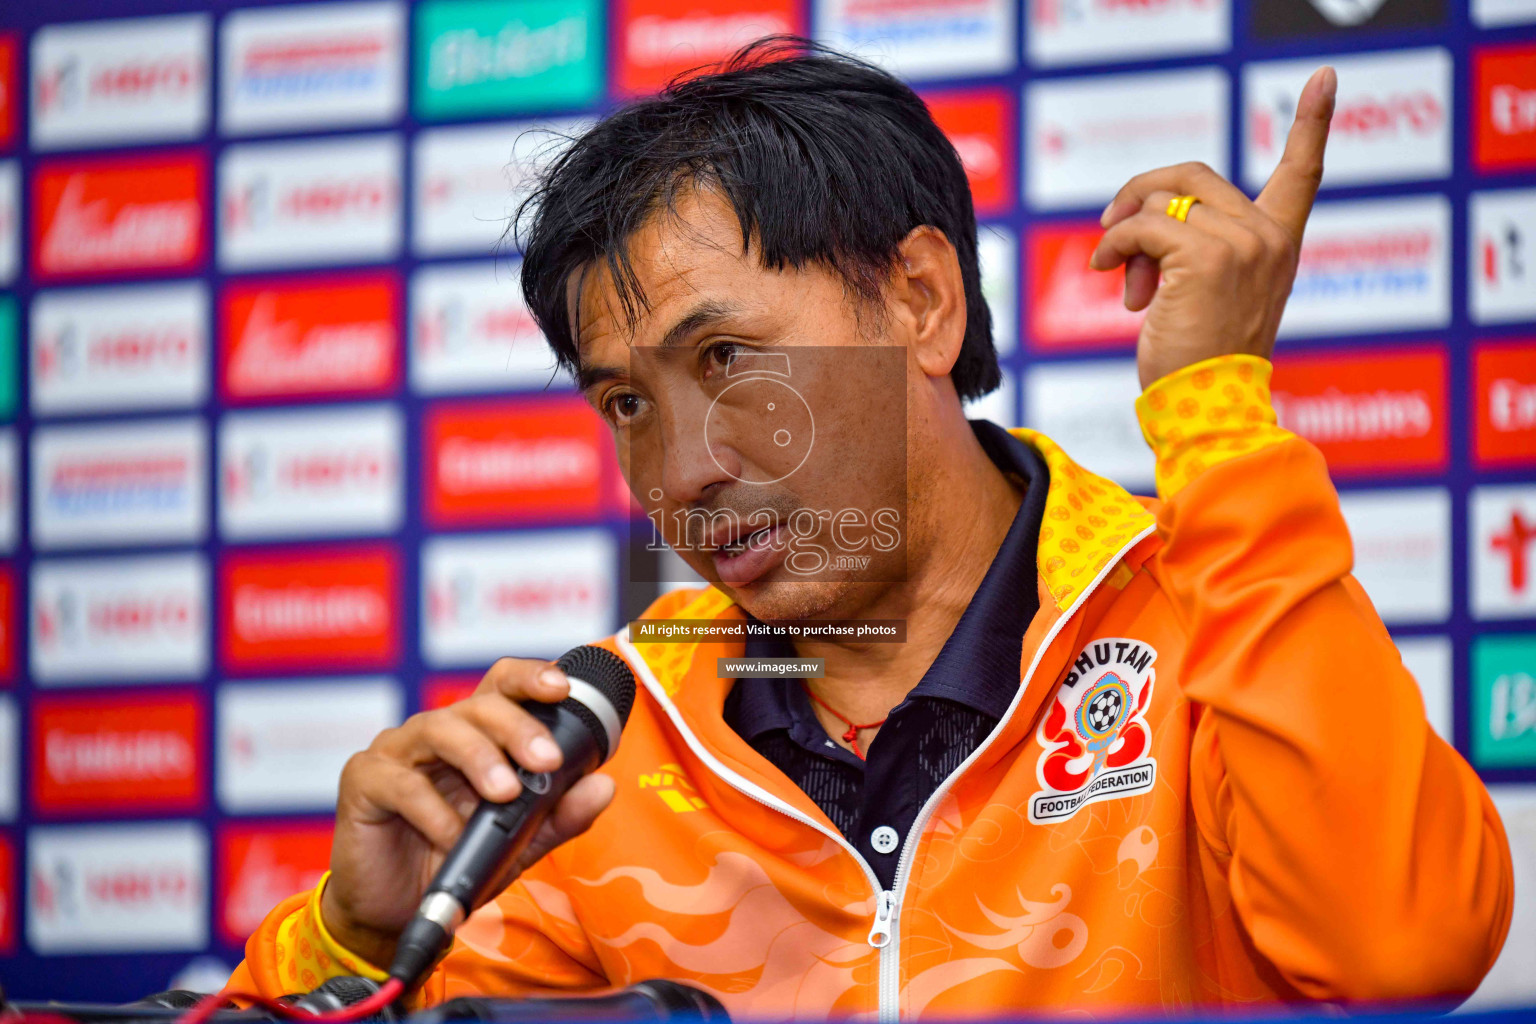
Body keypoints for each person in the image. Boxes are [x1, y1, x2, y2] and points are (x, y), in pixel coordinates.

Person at [230, 39, 1512, 1017]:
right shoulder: (612, 742)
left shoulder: (1204, 618)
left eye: (729, 356)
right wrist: (356, 937)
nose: (682, 470)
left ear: (920, 301)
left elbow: (1402, 949)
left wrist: (1220, 418)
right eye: (626, 402)